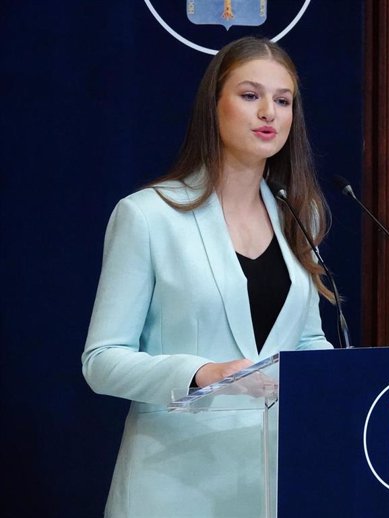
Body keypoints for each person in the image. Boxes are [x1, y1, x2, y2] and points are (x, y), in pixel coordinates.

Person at [82, 36, 334, 517]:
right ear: (213, 106)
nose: (269, 112)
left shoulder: (301, 217)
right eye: (249, 95)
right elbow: (101, 361)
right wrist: (203, 374)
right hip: (176, 484)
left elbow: (305, 340)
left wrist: (343, 379)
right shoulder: (148, 216)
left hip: (278, 479)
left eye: (283, 101)